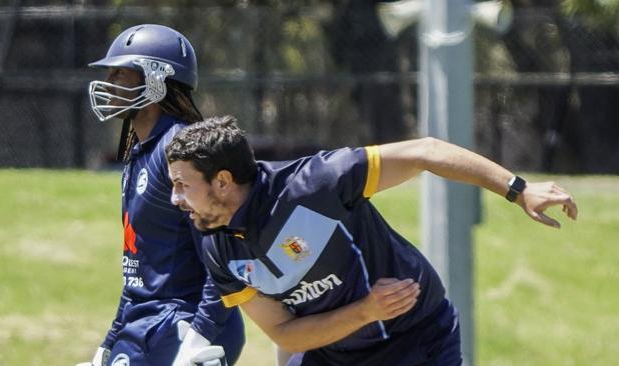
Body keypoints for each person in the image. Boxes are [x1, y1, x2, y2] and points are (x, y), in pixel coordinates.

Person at [164, 115, 578, 366]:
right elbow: (285, 335)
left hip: (416, 341)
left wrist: (518, 189)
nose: (174, 198)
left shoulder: (316, 184)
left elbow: (426, 151)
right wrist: (365, 311)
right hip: (333, 354)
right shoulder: (215, 243)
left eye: (182, 185)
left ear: (222, 182)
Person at [79, 25, 244, 366]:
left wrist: (199, 337)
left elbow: (223, 258)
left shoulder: (178, 150)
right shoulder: (139, 152)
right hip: (147, 322)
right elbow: (139, 271)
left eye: (121, 74)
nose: (108, 84)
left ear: (156, 80)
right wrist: (108, 343)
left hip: (182, 322)